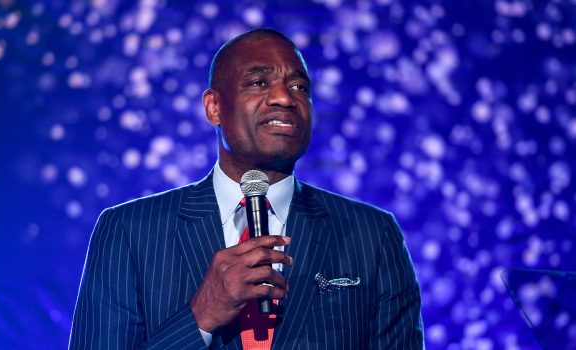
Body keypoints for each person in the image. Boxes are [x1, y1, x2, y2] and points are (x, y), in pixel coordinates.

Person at [69, 29, 424, 349]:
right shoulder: (130, 231)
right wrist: (200, 319)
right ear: (213, 107)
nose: (285, 98)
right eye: (258, 83)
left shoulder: (372, 234)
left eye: (299, 87)